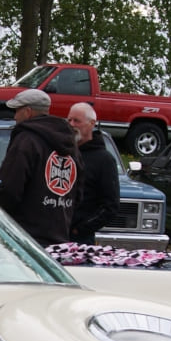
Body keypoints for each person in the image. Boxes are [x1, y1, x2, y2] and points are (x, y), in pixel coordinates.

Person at [0, 88, 81, 245]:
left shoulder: (26, 140)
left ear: (28, 112)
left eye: (17, 111)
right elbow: (79, 191)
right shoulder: (71, 145)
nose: (14, 117)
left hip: (24, 237)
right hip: (59, 235)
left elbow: (10, 189)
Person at [65, 102, 119, 241]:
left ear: (91, 123)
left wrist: (79, 230)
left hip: (80, 240)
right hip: (53, 233)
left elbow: (110, 207)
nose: (71, 124)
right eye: (69, 120)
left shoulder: (104, 160)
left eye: (76, 121)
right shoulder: (61, 153)